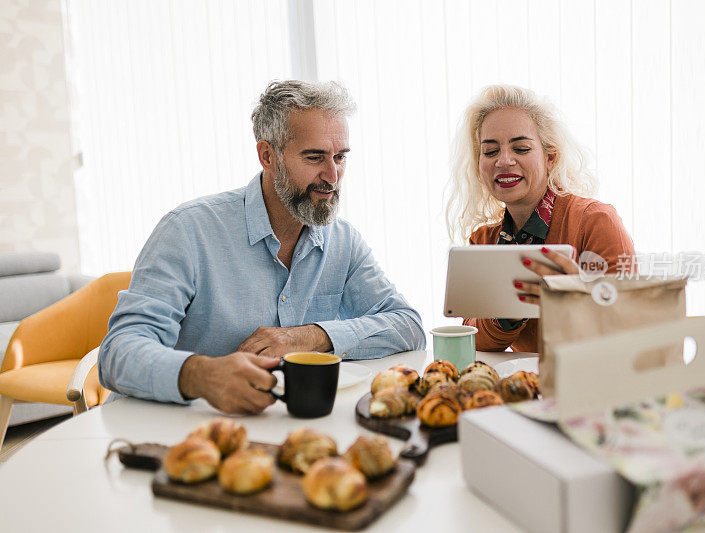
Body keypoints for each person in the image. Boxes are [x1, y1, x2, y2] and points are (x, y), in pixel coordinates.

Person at [99, 80, 425, 414]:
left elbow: (409, 325)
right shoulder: (187, 230)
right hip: (160, 428)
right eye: (314, 157)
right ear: (267, 156)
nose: (332, 175)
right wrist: (201, 375)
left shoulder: (343, 241)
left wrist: (309, 336)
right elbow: (117, 354)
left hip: (276, 428)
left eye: (340, 157)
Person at [445, 84, 635, 352]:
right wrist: (507, 313)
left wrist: (582, 299)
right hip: (526, 387)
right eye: (490, 151)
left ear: (550, 158)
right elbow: (473, 336)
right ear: (479, 166)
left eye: (521, 148)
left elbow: (632, 324)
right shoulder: (483, 240)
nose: (504, 161)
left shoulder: (595, 221)